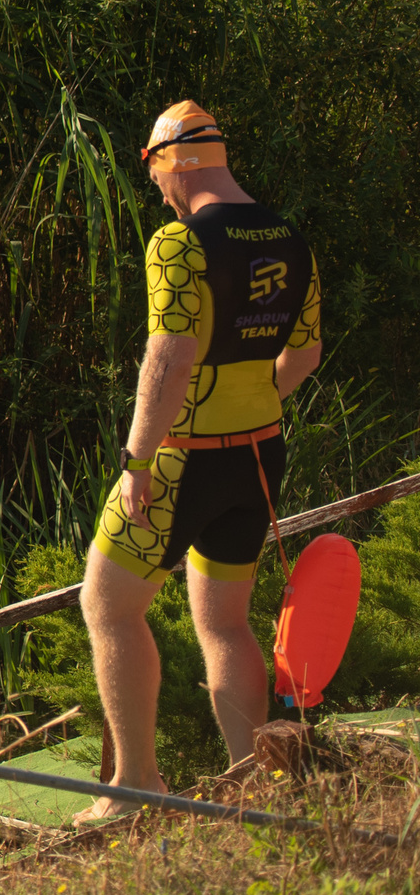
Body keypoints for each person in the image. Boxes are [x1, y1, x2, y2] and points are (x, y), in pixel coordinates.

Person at [77, 103, 321, 819]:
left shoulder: (180, 244)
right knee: (223, 620)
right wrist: (254, 394)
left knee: (108, 604)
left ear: (170, 162)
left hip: (182, 458)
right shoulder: (291, 238)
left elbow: (170, 356)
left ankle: (133, 785)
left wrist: (137, 457)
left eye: (153, 175)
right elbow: (301, 355)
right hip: (258, 456)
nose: (156, 192)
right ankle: (258, 783)